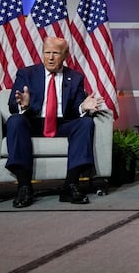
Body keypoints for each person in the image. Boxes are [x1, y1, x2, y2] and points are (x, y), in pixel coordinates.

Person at [6, 36, 105, 208]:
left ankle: (71, 185)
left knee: (85, 123)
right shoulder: (26, 74)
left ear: (65, 55)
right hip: (34, 121)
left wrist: (84, 106)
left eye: (55, 53)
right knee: (15, 121)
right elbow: (12, 105)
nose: (50, 57)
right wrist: (23, 105)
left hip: (62, 123)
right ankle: (24, 187)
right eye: (47, 52)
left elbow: (75, 109)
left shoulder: (75, 77)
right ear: (42, 53)